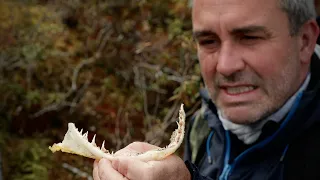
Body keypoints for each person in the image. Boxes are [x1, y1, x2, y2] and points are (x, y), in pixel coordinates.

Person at [93, 0, 320, 179]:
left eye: (249, 38)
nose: (225, 66)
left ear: (305, 41)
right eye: (209, 41)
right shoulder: (204, 126)